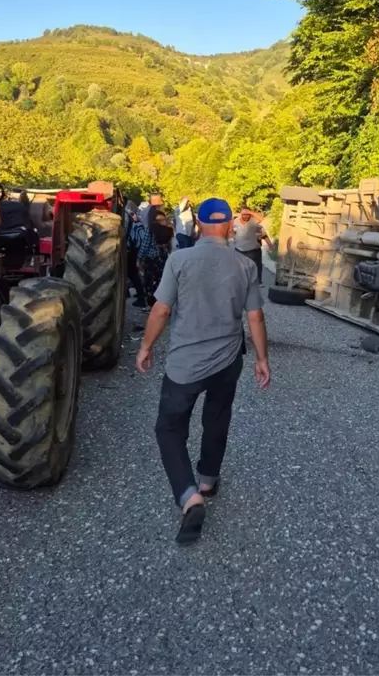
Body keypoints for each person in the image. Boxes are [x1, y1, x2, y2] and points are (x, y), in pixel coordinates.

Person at [136, 197, 270, 546]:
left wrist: (146, 347)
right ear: (229, 225)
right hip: (228, 361)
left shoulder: (179, 259)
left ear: (198, 223)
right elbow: (255, 316)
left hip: (185, 365)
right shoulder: (245, 265)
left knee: (169, 428)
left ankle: (188, 495)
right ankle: (208, 479)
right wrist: (262, 360)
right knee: (217, 417)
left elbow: (161, 310)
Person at [134, 206, 173, 305]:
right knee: (162, 281)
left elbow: (145, 245)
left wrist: (139, 258)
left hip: (152, 259)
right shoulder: (169, 229)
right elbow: (170, 245)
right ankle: (163, 302)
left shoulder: (151, 229)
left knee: (150, 282)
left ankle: (152, 304)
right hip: (164, 258)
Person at [232, 207, 272, 286]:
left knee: (256, 267)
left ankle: (258, 282)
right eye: (244, 214)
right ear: (240, 214)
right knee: (240, 268)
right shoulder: (235, 222)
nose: (246, 216)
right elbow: (230, 231)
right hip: (239, 249)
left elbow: (263, 234)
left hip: (253, 250)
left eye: (248, 214)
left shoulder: (254, 222)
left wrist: (270, 245)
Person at [124, 200, 147, 308]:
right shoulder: (131, 214)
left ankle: (141, 297)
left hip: (129, 248)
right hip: (132, 247)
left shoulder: (125, 214)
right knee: (131, 272)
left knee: (132, 272)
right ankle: (138, 294)